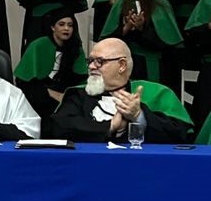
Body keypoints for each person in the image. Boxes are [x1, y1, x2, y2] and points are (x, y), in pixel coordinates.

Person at [49, 38, 192, 144]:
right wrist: (111, 126)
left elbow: (181, 135)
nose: (92, 67)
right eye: (90, 61)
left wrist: (139, 115)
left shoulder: (157, 93)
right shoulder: (78, 95)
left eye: (99, 61)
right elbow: (57, 128)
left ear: (122, 65)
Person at [100, 0, 183, 88]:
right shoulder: (121, 3)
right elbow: (107, 40)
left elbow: (166, 44)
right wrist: (125, 29)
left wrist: (142, 29)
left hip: (152, 65)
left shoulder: (160, 5)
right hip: (125, 64)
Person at [14, 7, 86, 119]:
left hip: (66, 95)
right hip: (40, 93)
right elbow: (25, 81)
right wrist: (53, 94)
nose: (66, 28)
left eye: (70, 25)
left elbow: (80, 79)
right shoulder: (38, 45)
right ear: (53, 27)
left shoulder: (76, 48)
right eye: (61, 24)